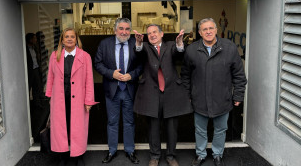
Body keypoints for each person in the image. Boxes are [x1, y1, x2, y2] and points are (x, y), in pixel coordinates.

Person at [181, 18, 247, 166]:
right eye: (205, 29)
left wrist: (238, 94)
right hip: (199, 99)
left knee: (221, 129)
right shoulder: (192, 50)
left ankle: (218, 154)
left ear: (216, 30)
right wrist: (187, 95)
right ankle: (201, 154)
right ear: (199, 32)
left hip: (222, 98)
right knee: (200, 130)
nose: (208, 31)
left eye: (211, 28)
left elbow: (239, 75)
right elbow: (185, 76)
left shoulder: (229, 48)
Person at [133, 24, 193, 166]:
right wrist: (139, 43)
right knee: (153, 127)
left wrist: (180, 44)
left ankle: (171, 156)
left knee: (172, 128)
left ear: (162, 34)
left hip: (171, 92)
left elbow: (179, 54)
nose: (152, 35)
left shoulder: (171, 45)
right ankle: (154, 156)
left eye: (154, 32)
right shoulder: (145, 47)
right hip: (151, 93)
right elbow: (138, 53)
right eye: (149, 33)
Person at [45, 28, 98, 166]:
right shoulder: (54, 56)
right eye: (66, 37)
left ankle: (77, 156)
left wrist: (88, 100)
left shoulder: (85, 56)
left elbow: (89, 80)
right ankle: (62, 156)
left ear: (76, 39)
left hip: (78, 100)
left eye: (72, 37)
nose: (69, 39)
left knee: (77, 128)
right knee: (61, 128)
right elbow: (50, 77)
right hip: (59, 100)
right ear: (62, 40)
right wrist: (49, 96)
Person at [94, 18, 143, 164]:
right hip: (112, 89)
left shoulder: (136, 44)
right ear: (115, 30)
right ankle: (112, 151)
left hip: (129, 89)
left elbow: (142, 64)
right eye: (121, 28)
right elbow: (97, 63)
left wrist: (132, 75)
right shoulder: (105, 44)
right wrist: (111, 73)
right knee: (112, 122)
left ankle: (130, 150)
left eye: (127, 29)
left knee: (129, 121)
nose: (124, 32)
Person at [25, 33, 43, 104]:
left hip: (36, 69)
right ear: (30, 39)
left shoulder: (34, 48)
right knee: (29, 87)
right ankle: (28, 105)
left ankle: (37, 103)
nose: (36, 40)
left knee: (36, 87)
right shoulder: (25, 49)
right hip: (30, 71)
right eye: (34, 38)